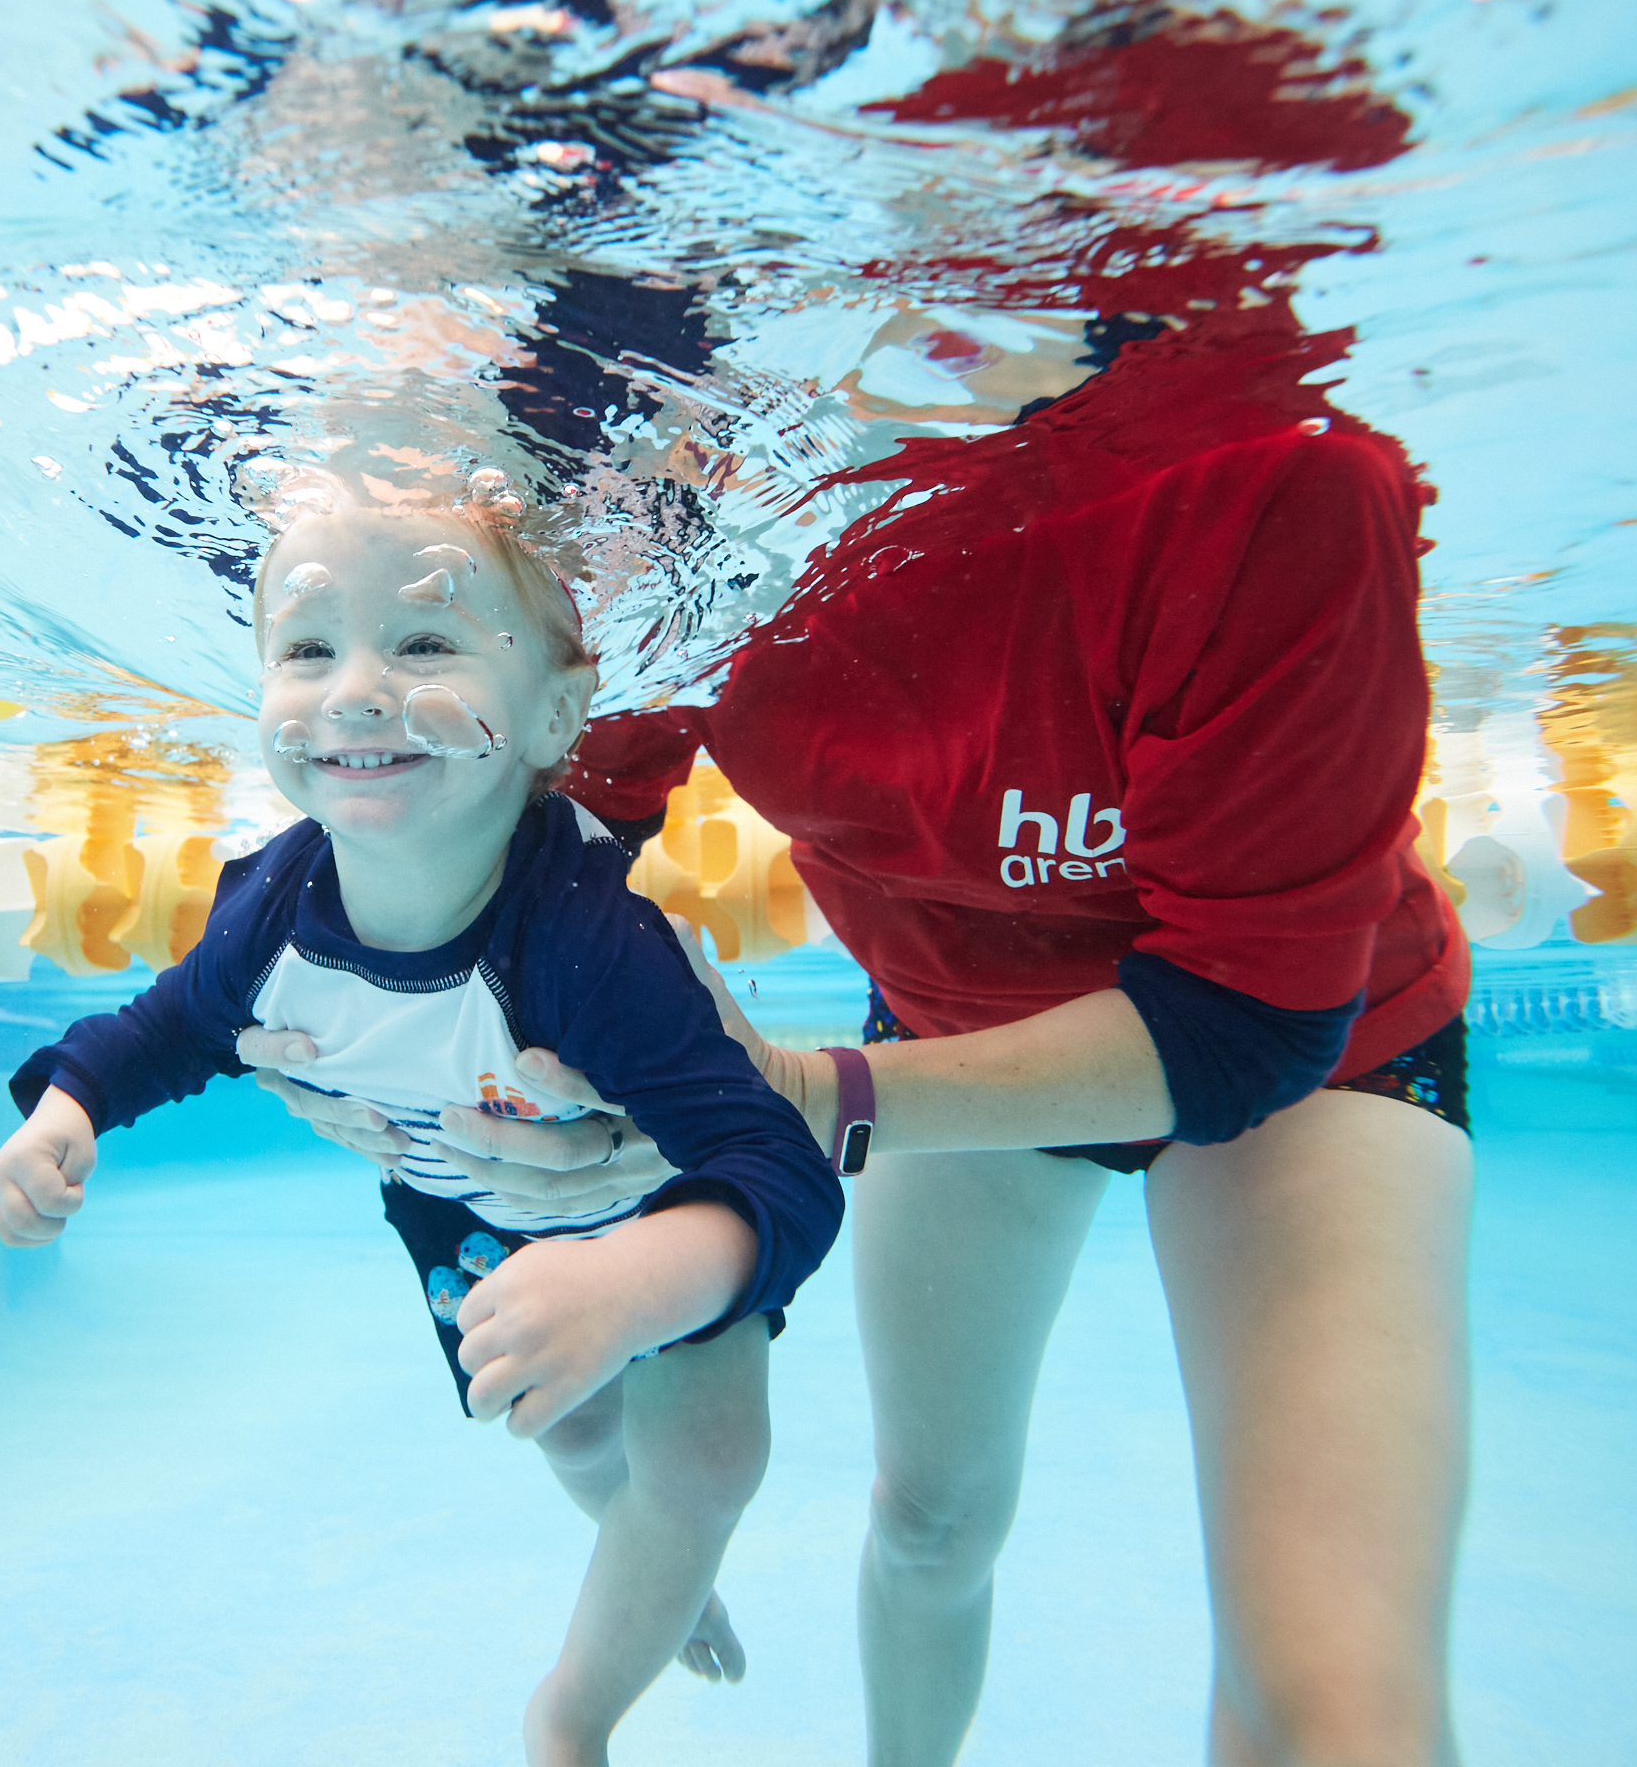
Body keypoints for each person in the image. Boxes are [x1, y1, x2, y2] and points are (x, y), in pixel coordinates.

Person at [256, 272, 1475, 1763]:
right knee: (932, 1518)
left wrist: (795, 1089)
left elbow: (1242, 1029)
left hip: (1319, 1046)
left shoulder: (1266, 480)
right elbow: (523, 852)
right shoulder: (710, 529)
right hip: (954, 1024)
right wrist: (364, 1029)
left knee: (1328, 1696)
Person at [0, 485, 843, 1767]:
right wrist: (64, 1110)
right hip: (466, 1211)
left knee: (711, 1460)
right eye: (309, 647)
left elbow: (775, 1160)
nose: (357, 689)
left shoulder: (587, 940)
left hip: (657, 1220)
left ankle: (573, 1711)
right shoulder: (268, 921)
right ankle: (657, 1571)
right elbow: (164, 1028)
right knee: (571, 1426)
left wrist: (632, 1281)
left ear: (554, 712)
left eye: (427, 641)